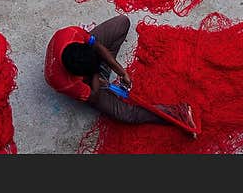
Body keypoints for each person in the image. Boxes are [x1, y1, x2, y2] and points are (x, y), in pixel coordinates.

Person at [44, 15, 195, 128]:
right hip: (88, 83)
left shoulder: (70, 34)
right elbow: (94, 97)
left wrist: (121, 72)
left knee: (122, 22)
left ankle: (101, 70)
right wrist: (96, 76)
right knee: (127, 115)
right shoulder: (65, 83)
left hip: (88, 63)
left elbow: (97, 46)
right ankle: (174, 113)